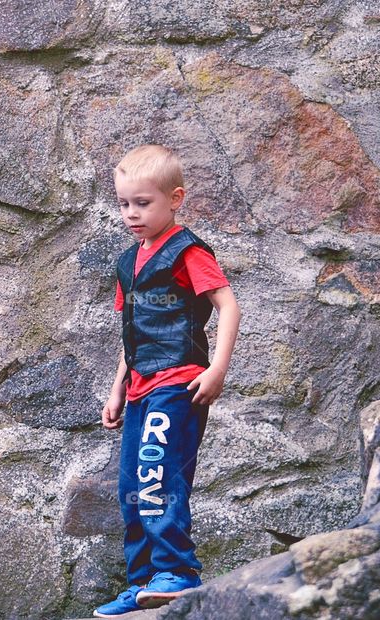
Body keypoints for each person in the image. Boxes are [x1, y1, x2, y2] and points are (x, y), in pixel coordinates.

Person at [93, 144, 241, 617]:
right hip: (140, 387)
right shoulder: (127, 263)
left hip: (179, 382)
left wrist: (216, 369)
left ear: (175, 199)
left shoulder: (188, 251)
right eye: (123, 204)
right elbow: (130, 331)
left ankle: (177, 571)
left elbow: (228, 306)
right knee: (132, 485)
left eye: (143, 203)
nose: (131, 214)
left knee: (157, 473)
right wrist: (119, 386)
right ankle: (143, 583)